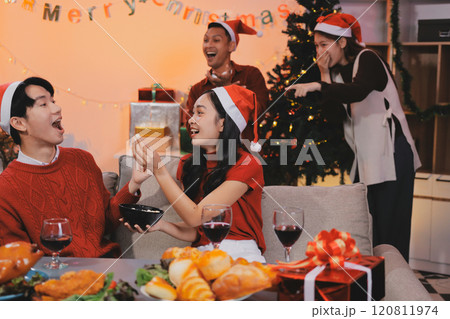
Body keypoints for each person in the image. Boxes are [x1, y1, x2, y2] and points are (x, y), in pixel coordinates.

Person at [287, 13, 421, 261]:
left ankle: (393, 287)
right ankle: (372, 287)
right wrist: (324, 76)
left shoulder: (367, 58)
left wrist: (318, 86)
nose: (319, 51)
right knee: (367, 227)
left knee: (391, 230)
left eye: (324, 44)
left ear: (342, 42)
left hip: (392, 153)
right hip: (367, 158)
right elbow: (334, 118)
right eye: (316, 45)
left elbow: (357, 92)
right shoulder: (336, 75)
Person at [0, 77, 151, 258]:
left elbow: (107, 222)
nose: (57, 108)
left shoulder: (82, 160)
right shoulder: (6, 188)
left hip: (106, 270)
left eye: (53, 101)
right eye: (43, 104)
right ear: (19, 123)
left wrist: (134, 183)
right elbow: (17, 260)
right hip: (53, 280)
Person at [128, 85, 266, 262]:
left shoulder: (247, 164)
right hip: (201, 254)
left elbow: (195, 215)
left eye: (200, 113)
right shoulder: (188, 165)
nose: (190, 120)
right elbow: (197, 230)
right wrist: (160, 225)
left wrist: (159, 171)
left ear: (222, 122)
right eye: (192, 113)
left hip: (242, 255)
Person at [184, 19, 269, 142]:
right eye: (206, 40)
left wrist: (228, 88)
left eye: (216, 40)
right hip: (211, 158)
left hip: (246, 156)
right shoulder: (197, 89)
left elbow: (258, 116)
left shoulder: (251, 75)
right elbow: (192, 129)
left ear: (231, 46)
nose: (208, 45)